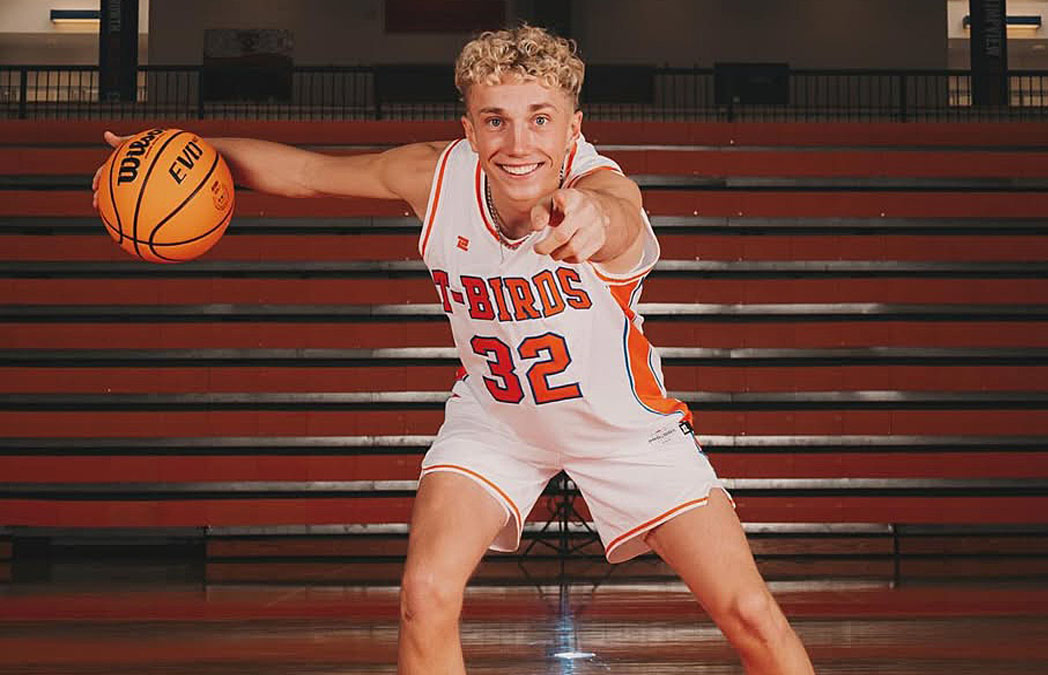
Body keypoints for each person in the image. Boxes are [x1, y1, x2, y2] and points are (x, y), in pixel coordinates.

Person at [94, 25, 816, 675]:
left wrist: (595, 218)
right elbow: (308, 175)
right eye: (495, 120)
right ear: (469, 127)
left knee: (751, 615)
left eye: (540, 119)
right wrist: (177, 154)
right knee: (426, 592)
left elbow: (620, 214)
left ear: (574, 127)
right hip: (497, 420)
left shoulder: (600, 188)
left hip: (622, 430)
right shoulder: (434, 176)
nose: (519, 143)